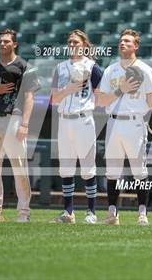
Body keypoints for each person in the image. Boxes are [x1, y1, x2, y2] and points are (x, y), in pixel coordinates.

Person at [96, 29, 152, 225]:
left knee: (139, 170)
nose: (122, 43)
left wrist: (138, 111)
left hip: (134, 122)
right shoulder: (110, 70)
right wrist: (121, 90)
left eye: (127, 41)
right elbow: (101, 100)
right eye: (121, 40)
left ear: (136, 46)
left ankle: (142, 213)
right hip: (114, 121)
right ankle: (112, 214)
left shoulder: (144, 69)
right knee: (112, 171)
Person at [0, 29, 40, 223]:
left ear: (15, 44)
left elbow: (29, 97)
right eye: (0, 41)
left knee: (19, 167)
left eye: (6, 41)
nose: (3, 44)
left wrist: (25, 124)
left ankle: (23, 213)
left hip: (14, 119)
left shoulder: (24, 66)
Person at [50, 30, 102, 224]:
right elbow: (54, 99)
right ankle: (68, 212)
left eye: (76, 42)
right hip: (64, 120)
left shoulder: (92, 67)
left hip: (83, 119)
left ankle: (91, 212)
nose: (72, 45)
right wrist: (69, 89)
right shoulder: (60, 67)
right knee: (66, 168)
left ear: (84, 45)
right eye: (70, 42)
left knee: (88, 168)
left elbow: (102, 96)